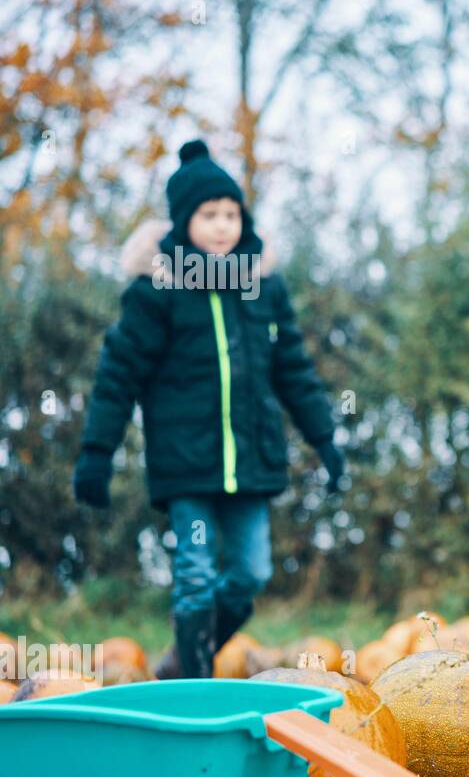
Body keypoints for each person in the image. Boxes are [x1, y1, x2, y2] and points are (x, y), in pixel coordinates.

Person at [73, 140, 345, 678]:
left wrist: (326, 441)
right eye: (208, 214)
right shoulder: (158, 290)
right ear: (182, 221)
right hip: (186, 464)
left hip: (251, 459)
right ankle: (196, 682)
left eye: (231, 214)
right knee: (195, 576)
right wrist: (96, 453)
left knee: (251, 572)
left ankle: (179, 665)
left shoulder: (262, 287)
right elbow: (118, 373)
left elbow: (293, 370)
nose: (222, 225)